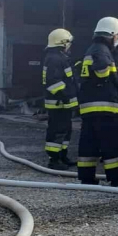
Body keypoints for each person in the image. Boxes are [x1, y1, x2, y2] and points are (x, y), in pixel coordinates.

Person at [76, 17, 118, 187]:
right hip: (104, 105)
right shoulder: (102, 51)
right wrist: (110, 78)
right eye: (117, 35)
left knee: (89, 142)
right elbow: (102, 69)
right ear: (111, 34)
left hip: (89, 106)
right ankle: (117, 177)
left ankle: (87, 177)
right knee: (112, 142)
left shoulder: (92, 48)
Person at [42, 29, 78, 170]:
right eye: (68, 42)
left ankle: (63, 156)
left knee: (65, 130)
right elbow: (54, 82)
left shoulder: (59, 57)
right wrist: (65, 96)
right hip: (59, 103)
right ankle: (54, 160)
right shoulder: (55, 59)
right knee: (57, 131)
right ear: (63, 43)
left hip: (63, 104)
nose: (70, 46)